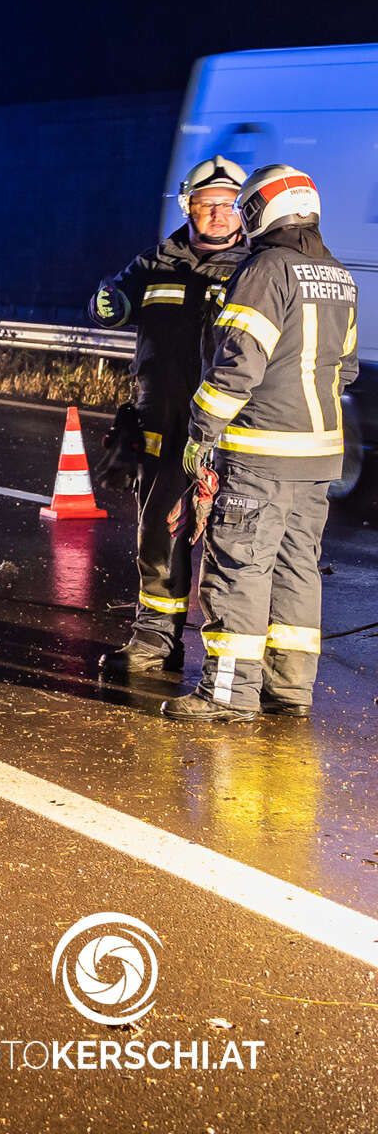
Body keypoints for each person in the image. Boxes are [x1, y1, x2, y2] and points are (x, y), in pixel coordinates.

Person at [164, 165, 359, 723]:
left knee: (238, 568)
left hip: (261, 453)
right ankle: (289, 690)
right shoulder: (339, 273)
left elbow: (237, 365)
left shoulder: (265, 269)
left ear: (261, 210)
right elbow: (344, 371)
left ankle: (227, 694)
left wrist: (200, 433)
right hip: (318, 455)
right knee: (297, 568)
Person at [91, 158, 249, 670]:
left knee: (238, 544)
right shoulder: (156, 262)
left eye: (229, 205)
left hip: (234, 429)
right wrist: (106, 301)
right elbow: (108, 307)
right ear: (189, 208)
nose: (220, 215)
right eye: (208, 206)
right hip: (164, 424)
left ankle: (238, 663)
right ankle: (156, 639)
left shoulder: (260, 267)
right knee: (160, 532)